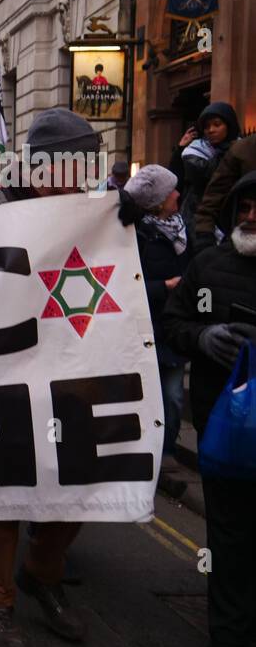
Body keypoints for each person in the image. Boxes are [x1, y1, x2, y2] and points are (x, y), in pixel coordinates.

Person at [0, 107, 108, 647]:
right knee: (5, 487)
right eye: (81, 159)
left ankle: (42, 574)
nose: (90, 171)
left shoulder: (94, 215)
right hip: (1, 375)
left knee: (79, 482)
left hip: (71, 375)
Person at [162, 171, 256, 647]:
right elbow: (175, 324)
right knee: (228, 540)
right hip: (225, 436)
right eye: (245, 206)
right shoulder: (209, 265)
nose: (252, 216)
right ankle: (226, 641)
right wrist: (202, 338)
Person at [124, 165, 192, 498]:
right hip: (145, 327)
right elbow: (123, 283)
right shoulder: (135, 234)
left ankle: (167, 451)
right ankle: (149, 450)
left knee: (175, 396)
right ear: (158, 200)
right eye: (172, 191)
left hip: (176, 326)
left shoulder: (184, 229)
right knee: (150, 395)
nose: (178, 194)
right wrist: (163, 287)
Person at [182, 104, 247, 252]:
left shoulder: (242, 150)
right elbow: (209, 177)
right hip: (200, 218)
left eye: (217, 125)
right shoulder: (194, 153)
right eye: (206, 127)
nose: (211, 130)